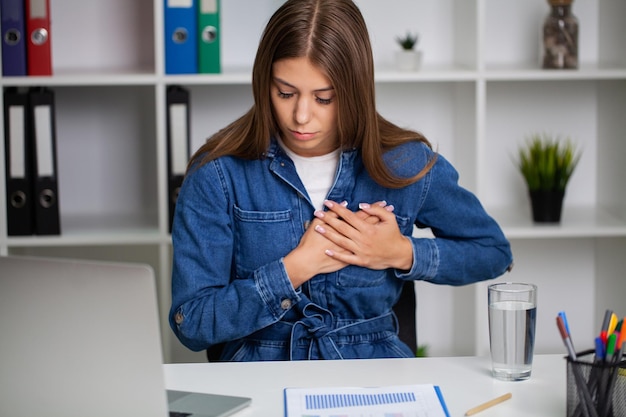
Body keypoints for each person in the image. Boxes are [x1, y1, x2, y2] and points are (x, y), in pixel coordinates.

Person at [169, 0, 513, 361]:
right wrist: (295, 269)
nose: (301, 116)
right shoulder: (218, 173)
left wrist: (400, 252)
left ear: (355, 90)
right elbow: (190, 323)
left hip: (375, 379)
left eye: (324, 98)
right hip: (259, 375)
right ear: (263, 83)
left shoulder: (404, 163)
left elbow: (493, 252)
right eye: (285, 93)